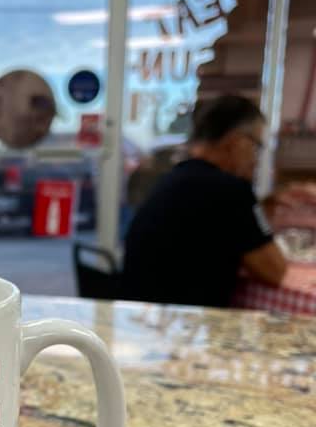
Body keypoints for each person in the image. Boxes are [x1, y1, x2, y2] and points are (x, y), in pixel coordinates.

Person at [120, 95, 287, 308]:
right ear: (237, 143)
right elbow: (275, 271)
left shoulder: (172, 178)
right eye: (257, 147)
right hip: (189, 320)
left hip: (141, 312)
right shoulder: (231, 190)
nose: (255, 160)